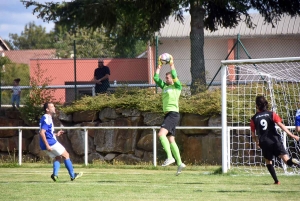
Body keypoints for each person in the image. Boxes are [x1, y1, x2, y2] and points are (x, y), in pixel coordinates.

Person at [250, 95, 300, 184]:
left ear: (257, 105)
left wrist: (256, 142)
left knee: (268, 162)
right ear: (266, 104)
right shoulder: (272, 114)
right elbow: (281, 125)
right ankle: (293, 161)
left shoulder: (253, 118)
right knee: (286, 161)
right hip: (275, 140)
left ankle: (276, 181)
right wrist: (292, 135)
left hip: (264, 142)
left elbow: (253, 134)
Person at [153, 54, 186, 176]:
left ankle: (169, 157)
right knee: (171, 139)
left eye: (168, 78)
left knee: (161, 134)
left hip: (173, 114)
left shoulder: (177, 86)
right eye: (166, 78)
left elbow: (175, 75)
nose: (166, 79)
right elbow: (155, 78)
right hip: (169, 115)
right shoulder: (165, 87)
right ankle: (179, 163)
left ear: (173, 79)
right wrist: (160, 66)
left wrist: (171, 64)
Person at [39, 102, 83, 182]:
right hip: (50, 143)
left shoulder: (46, 117)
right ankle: (73, 175)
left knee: (58, 157)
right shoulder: (47, 118)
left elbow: (47, 132)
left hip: (45, 143)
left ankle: (55, 175)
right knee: (66, 155)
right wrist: (47, 145)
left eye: (53, 106)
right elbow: (42, 132)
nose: (54, 108)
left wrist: (56, 134)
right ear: (47, 109)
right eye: (51, 107)